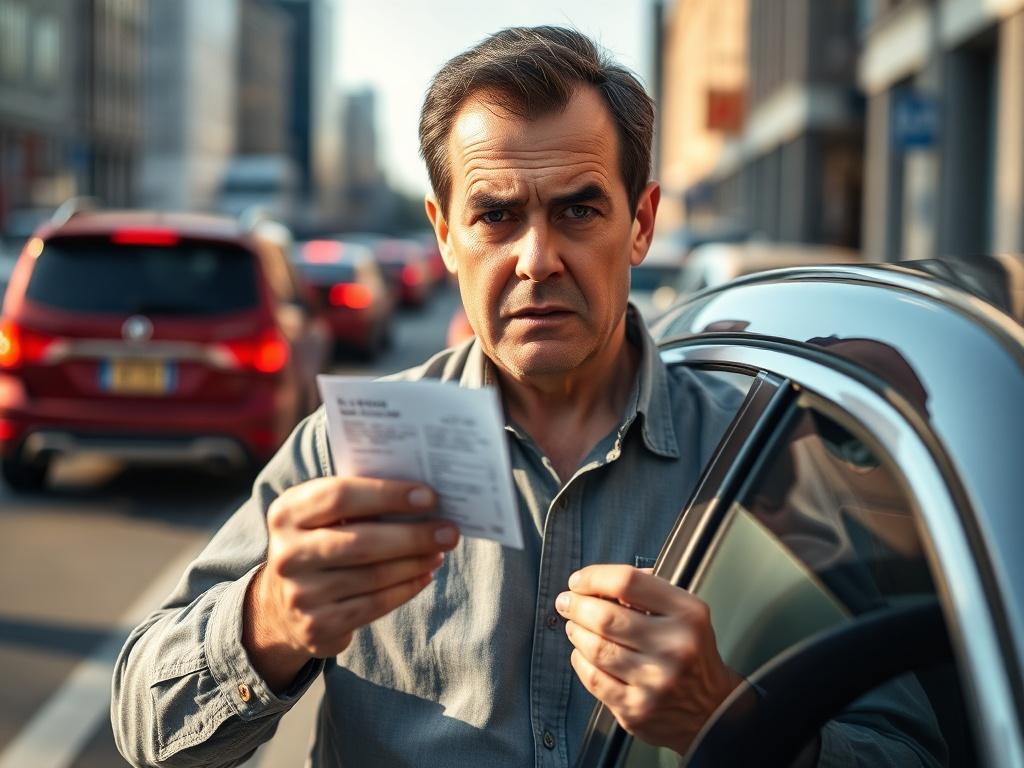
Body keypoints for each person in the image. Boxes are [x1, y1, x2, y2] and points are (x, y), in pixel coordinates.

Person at [112, 27, 943, 768]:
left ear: (642, 223)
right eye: (497, 216)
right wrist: (268, 624)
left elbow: (908, 748)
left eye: (578, 210)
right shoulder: (344, 451)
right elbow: (146, 727)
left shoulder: (772, 460)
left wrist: (728, 719)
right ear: (444, 232)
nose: (536, 258)